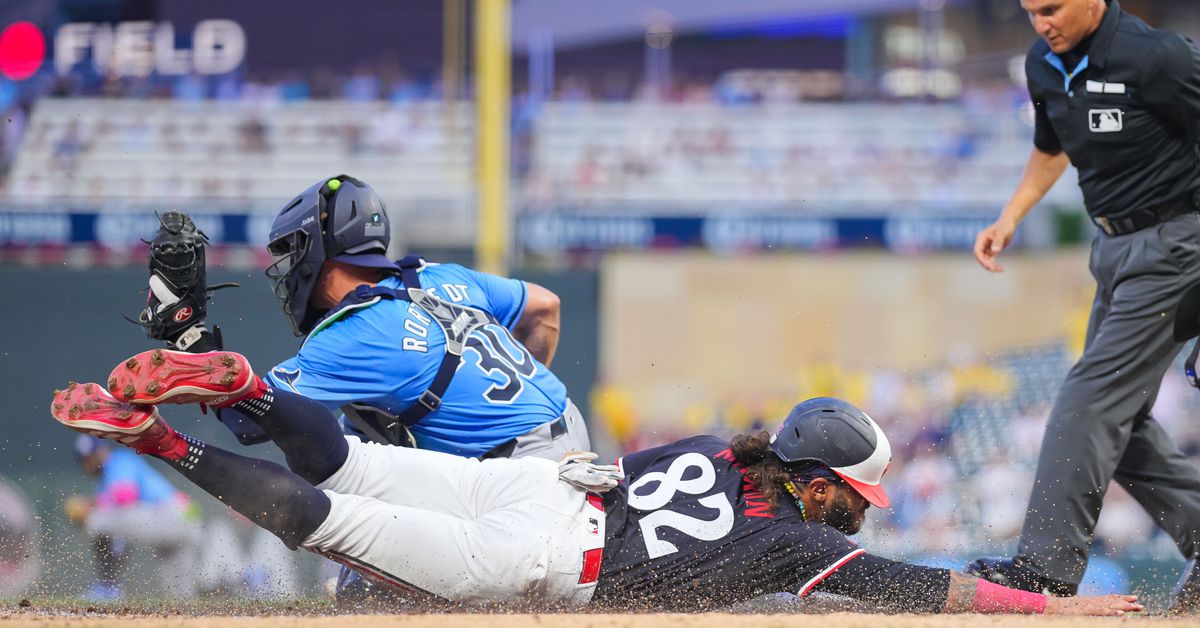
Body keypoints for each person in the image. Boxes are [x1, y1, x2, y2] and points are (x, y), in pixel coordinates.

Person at [50, 349, 1141, 615]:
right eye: (852, 496)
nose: (855, 512)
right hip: (541, 554)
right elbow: (918, 590)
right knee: (332, 519)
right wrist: (1055, 609)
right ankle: (165, 448)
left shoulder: (722, 447)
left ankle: (244, 383)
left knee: (351, 460)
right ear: (819, 485)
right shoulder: (798, 543)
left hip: (542, 492)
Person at [133, 176, 591, 600]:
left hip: (518, 486)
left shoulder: (353, 331)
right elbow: (545, 307)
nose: (287, 266)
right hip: (571, 442)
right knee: (362, 427)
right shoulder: (443, 276)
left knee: (365, 586)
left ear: (318, 249)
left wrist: (188, 339)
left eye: (291, 250)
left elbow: (249, 420)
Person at [969, 0, 1200, 606]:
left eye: (1051, 8)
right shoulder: (1043, 63)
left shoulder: (1158, 56)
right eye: (1030, 11)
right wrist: (1011, 216)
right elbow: (1052, 147)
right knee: (1120, 425)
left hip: (1177, 242)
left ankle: (1044, 570)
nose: (1040, 21)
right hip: (1112, 248)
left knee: (1088, 402)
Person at [65, 434, 199, 601]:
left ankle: (108, 588)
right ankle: (188, 607)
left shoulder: (119, 461)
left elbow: (125, 496)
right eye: (84, 460)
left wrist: (90, 504)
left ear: (102, 451)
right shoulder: (104, 482)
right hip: (185, 518)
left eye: (91, 457)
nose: (88, 464)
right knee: (180, 596)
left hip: (170, 516)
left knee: (97, 520)